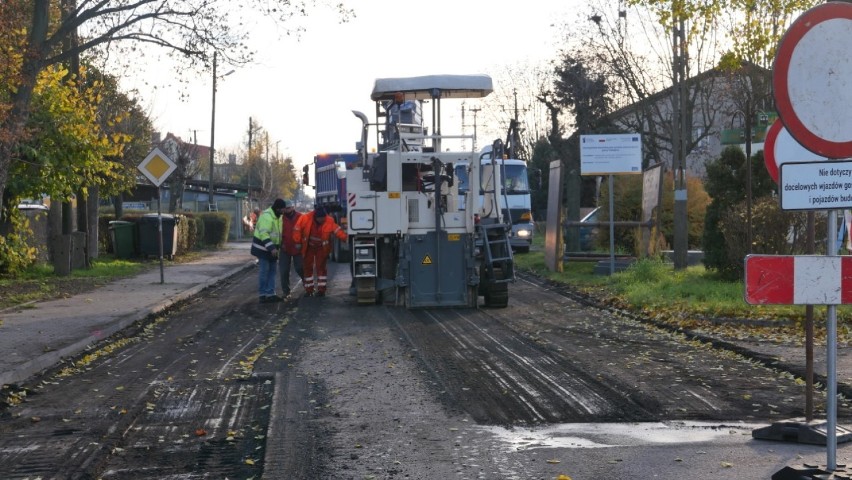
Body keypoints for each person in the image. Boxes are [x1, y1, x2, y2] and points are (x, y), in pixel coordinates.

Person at [293, 205, 347, 297]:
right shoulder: (305, 218)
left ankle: (322, 290)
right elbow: (297, 229)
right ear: (316, 217)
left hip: (321, 247)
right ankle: (309, 290)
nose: (322, 220)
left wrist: (347, 238)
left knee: (321, 267)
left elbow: (337, 231)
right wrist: (297, 241)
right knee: (307, 268)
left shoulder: (329, 220)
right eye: (321, 219)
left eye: (324, 218)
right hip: (308, 246)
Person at [250, 199, 286, 303]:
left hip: (271, 249)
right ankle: (263, 295)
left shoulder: (278, 216)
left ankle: (270, 294)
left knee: (272, 272)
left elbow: (277, 234)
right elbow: (264, 234)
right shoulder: (267, 216)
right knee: (264, 272)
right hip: (263, 249)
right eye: (282, 209)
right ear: (278, 208)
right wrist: (272, 248)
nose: (283, 212)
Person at [278, 200, 304, 297]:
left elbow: (305, 231)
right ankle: (286, 291)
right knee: (284, 270)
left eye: (288, 208)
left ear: (293, 207)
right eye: (285, 208)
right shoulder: (280, 218)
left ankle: (308, 286)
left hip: (298, 248)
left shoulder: (300, 217)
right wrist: (280, 244)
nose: (286, 210)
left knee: (300, 268)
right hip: (285, 248)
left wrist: (301, 243)